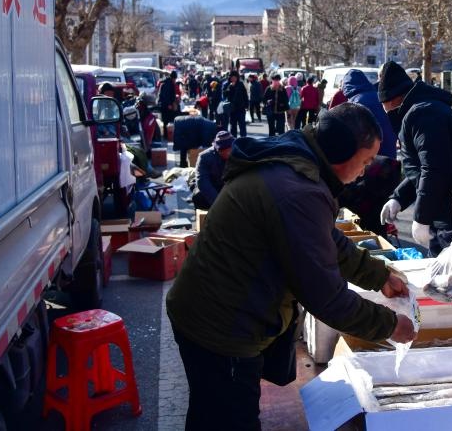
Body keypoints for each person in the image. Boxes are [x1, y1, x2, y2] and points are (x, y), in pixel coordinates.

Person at [167, 103, 416, 430]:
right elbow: (327, 298)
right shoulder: (298, 190)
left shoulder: (300, 163)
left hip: (214, 307)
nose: (365, 171)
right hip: (221, 326)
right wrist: (389, 325)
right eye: (366, 161)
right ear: (341, 152)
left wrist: (379, 275)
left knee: (210, 413)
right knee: (229, 419)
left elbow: (325, 239)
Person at [376, 61, 452, 258]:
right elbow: (421, 168)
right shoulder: (423, 110)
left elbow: (435, 168)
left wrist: (421, 217)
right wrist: (399, 198)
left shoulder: (422, 114)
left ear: (393, 100)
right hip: (449, 207)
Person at [340, 68, 396, 159]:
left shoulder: (355, 103)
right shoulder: (378, 96)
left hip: (371, 154)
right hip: (390, 148)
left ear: (346, 86)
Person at [190, 131, 234, 209]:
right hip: (214, 187)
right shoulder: (204, 157)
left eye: (229, 150)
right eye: (223, 150)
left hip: (230, 187)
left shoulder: (238, 153)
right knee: (198, 196)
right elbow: (202, 181)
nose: (227, 153)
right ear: (217, 149)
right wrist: (218, 203)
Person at [222, 70, 249, 138]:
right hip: (232, 109)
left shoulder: (240, 84)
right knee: (233, 126)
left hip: (241, 108)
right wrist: (230, 87)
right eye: (232, 77)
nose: (233, 79)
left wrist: (246, 105)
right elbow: (224, 95)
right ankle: (234, 140)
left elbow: (245, 95)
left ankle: (244, 140)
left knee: (242, 125)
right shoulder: (227, 84)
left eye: (235, 77)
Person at [158, 71, 180, 135]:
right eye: (175, 79)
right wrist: (169, 104)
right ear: (173, 78)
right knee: (167, 120)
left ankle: (167, 134)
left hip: (164, 104)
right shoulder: (168, 84)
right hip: (166, 105)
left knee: (166, 120)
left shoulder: (167, 82)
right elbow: (166, 95)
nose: (175, 80)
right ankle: (167, 134)